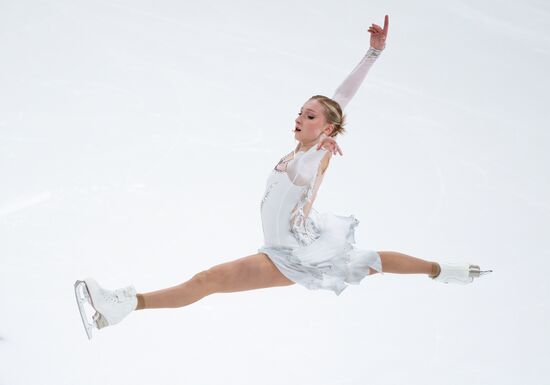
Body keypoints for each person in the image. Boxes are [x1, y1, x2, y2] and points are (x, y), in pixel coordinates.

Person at [74, 15, 492, 340]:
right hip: (296, 241)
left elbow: (309, 165)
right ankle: (448, 270)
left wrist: (320, 151)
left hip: (287, 254)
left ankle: (122, 305)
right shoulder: (308, 145)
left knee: (207, 281)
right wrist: (371, 55)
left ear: (325, 129)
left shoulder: (312, 156)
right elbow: (339, 101)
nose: (299, 117)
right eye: (300, 111)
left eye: (309, 116)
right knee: (372, 261)